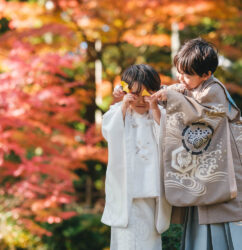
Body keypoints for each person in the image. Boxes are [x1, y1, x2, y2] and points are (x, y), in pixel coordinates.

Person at [154, 37, 242, 250]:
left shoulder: (214, 90)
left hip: (227, 165)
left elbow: (198, 115)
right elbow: (181, 93)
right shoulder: (196, 86)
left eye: (187, 74)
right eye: (180, 72)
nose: (181, 78)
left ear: (206, 74)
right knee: (204, 206)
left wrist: (172, 98)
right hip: (210, 166)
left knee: (225, 212)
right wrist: (163, 94)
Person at [101, 64, 171, 250]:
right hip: (127, 192)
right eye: (135, 95)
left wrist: (155, 109)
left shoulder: (160, 113)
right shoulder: (119, 112)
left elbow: (169, 138)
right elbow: (109, 132)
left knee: (150, 240)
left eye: (146, 95)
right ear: (126, 92)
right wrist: (123, 104)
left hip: (152, 191)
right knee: (126, 240)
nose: (140, 101)